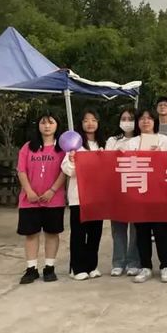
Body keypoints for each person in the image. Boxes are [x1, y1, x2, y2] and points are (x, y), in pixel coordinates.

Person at [16, 111, 66, 285]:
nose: (47, 126)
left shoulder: (62, 148)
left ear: (57, 125)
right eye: (43, 123)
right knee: (31, 234)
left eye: (51, 122)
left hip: (54, 200)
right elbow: (21, 170)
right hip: (30, 200)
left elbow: (64, 171)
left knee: (52, 233)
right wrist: (29, 191)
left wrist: (52, 190)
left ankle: (49, 268)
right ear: (38, 126)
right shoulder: (28, 147)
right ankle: (31, 269)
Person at [128, 108, 167, 283]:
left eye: (149, 118)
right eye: (142, 118)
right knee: (142, 232)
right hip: (139, 193)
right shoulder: (132, 142)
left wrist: (159, 156)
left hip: (159, 193)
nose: (146, 121)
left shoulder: (164, 140)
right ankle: (145, 266)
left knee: (161, 231)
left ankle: (165, 266)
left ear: (155, 121)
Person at [62, 109, 106, 281]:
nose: (90, 123)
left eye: (94, 120)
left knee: (95, 233)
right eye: (86, 120)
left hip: (98, 197)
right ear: (81, 123)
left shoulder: (103, 145)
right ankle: (77, 267)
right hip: (79, 197)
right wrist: (73, 160)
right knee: (79, 233)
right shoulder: (74, 145)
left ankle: (92, 266)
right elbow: (68, 170)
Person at [106, 108, 142, 276]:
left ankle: (133, 262)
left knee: (136, 229)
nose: (127, 122)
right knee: (118, 228)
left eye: (131, 118)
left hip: (137, 188)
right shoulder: (113, 140)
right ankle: (118, 262)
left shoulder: (143, 139)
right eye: (124, 118)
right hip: (117, 189)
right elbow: (105, 162)